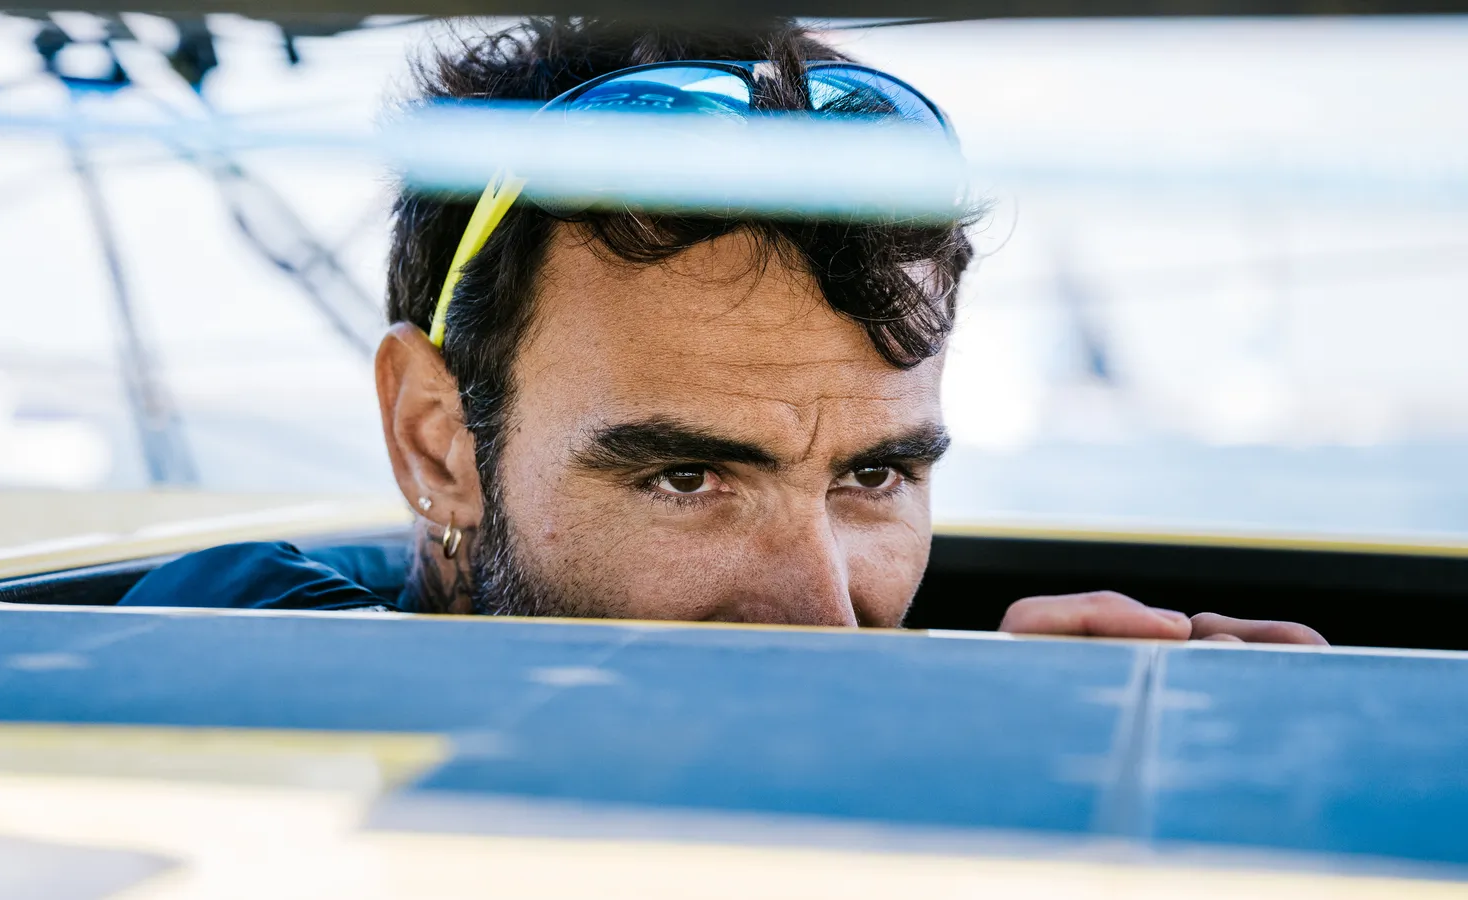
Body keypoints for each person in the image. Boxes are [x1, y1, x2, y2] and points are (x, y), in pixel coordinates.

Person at [123, 17, 1325, 646]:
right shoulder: (199, 659)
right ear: (438, 442)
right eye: (685, 475)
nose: (825, 610)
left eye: (876, 473)